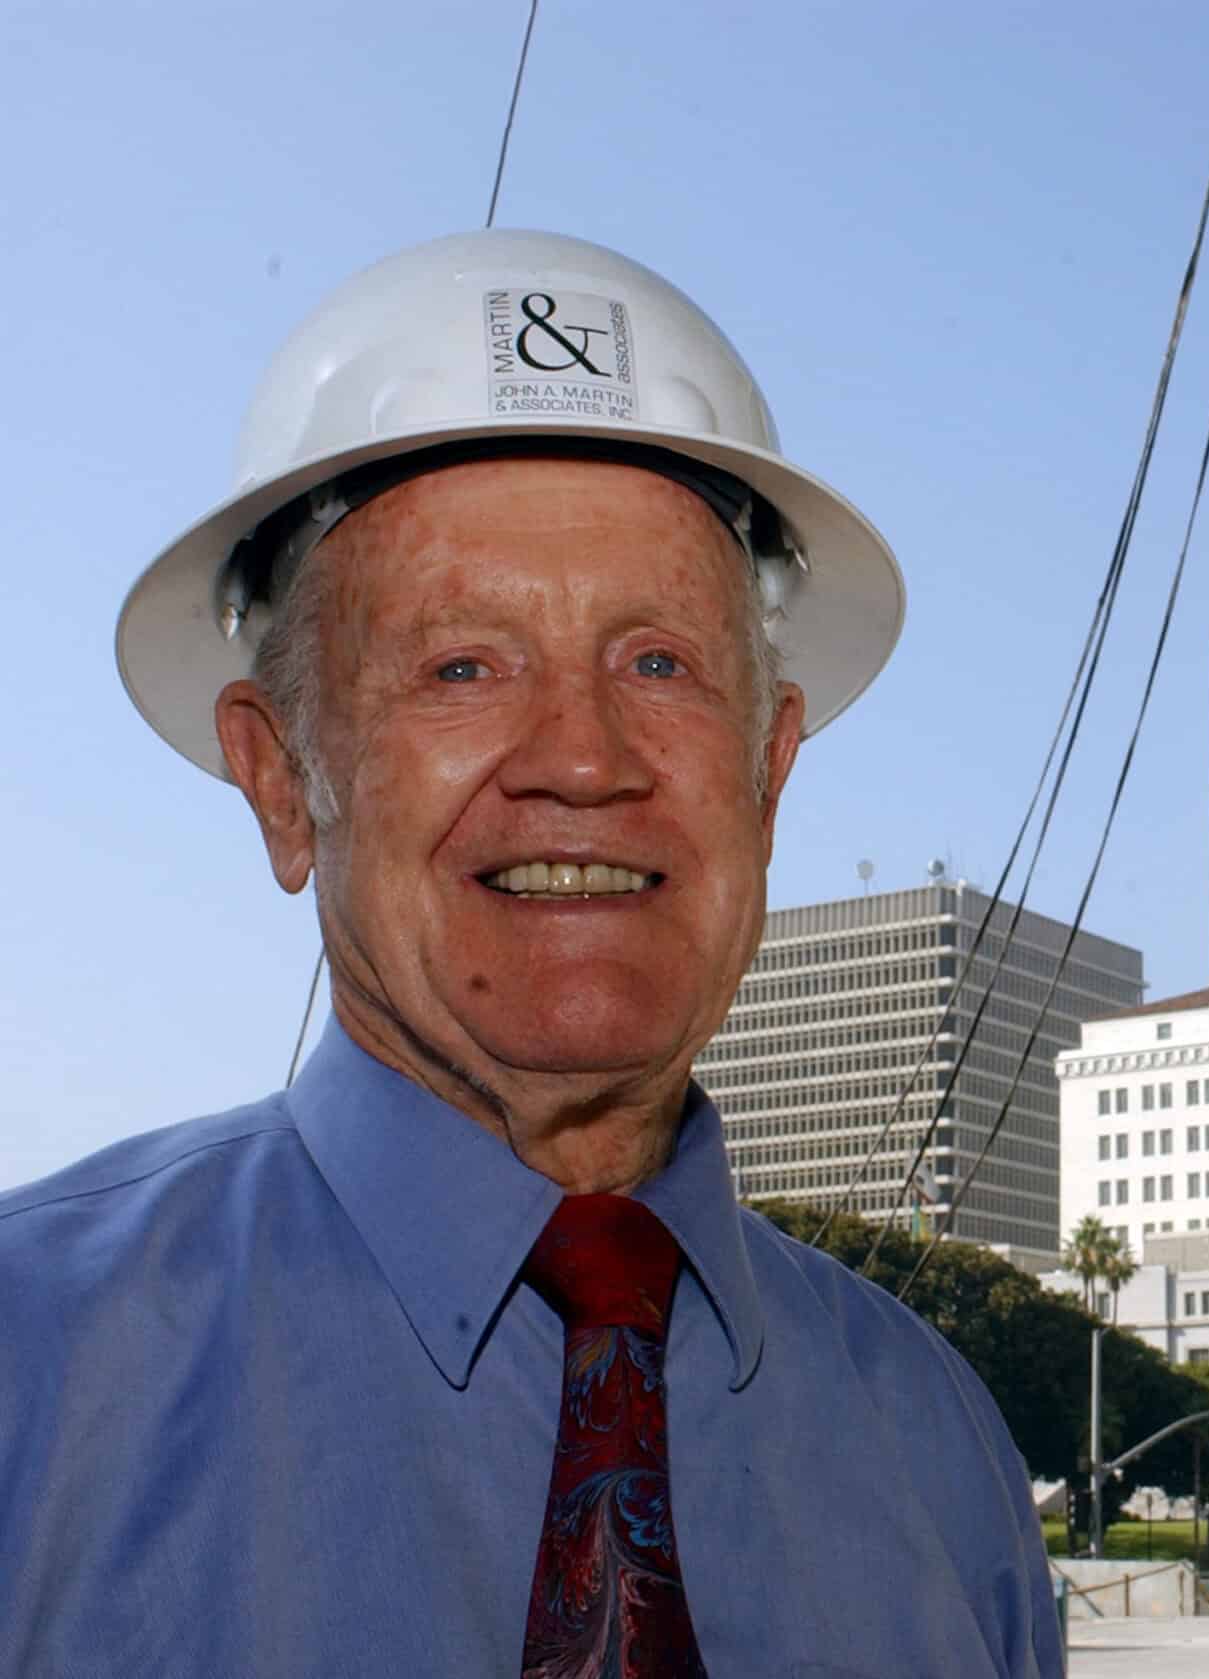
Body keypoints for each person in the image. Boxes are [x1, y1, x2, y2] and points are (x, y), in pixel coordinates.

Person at [0, 231, 1062, 1678]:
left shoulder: (939, 1451)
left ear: (770, 771)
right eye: (462, 666)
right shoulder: (29, 1377)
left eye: (659, 664)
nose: (582, 758)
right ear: (277, 780)